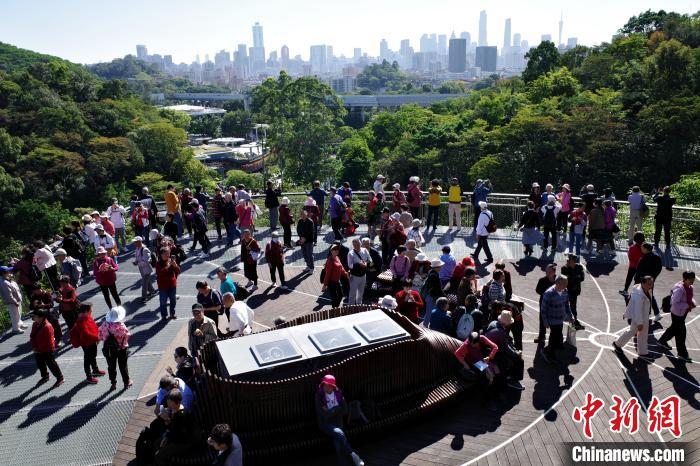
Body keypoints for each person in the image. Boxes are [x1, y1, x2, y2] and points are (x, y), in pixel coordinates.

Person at [315, 374, 365, 466]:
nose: (324, 386)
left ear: (332, 386)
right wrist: (337, 409)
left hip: (338, 421)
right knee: (339, 432)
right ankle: (353, 455)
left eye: (327, 385)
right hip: (326, 423)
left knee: (338, 443)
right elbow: (322, 415)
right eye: (323, 384)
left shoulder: (338, 393)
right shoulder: (319, 395)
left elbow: (345, 410)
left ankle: (345, 462)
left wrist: (331, 410)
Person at [613, 276, 654, 362]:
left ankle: (641, 351)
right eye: (648, 284)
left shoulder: (646, 289)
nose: (651, 285)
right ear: (643, 283)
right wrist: (640, 323)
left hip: (643, 316)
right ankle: (618, 344)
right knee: (635, 332)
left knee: (640, 333)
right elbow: (637, 310)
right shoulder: (639, 295)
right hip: (639, 317)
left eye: (651, 283)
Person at [658, 271, 696, 362]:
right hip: (677, 314)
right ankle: (682, 353)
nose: (692, 281)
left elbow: (689, 298)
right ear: (685, 279)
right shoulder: (679, 290)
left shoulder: (690, 287)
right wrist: (688, 306)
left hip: (683, 313)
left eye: (693, 279)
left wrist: (692, 303)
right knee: (681, 333)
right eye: (690, 279)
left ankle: (662, 341)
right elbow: (675, 303)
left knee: (674, 329)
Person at [154, 389, 195, 466]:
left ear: (178, 402)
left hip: (183, 442)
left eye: (170, 402)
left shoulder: (182, 415)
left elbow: (177, 434)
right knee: (157, 443)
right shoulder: (174, 410)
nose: (168, 404)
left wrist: (166, 437)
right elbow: (173, 429)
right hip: (176, 437)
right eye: (168, 402)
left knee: (158, 456)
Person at [485, 310, 524, 390]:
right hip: (492, 354)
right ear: (507, 323)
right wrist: (516, 353)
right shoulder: (501, 332)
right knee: (518, 359)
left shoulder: (494, 323)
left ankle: (510, 376)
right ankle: (513, 380)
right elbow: (506, 349)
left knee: (513, 354)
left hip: (487, 349)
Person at [539, 276, 573, 364]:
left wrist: (570, 315)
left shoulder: (565, 291)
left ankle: (548, 351)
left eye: (566, 283)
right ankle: (550, 355)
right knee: (554, 336)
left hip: (560, 319)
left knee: (556, 336)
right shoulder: (549, 293)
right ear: (558, 283)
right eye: (564, 283)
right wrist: (545, 322)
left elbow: (566, 304)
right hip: (552, 320)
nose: (566, 285)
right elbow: (543, 309)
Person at [69, 302, 105, 384]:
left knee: (93, 356)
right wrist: (98, 337)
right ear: (86, 310)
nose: (92, 310)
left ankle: (95, 370)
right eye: (90, 309)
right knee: (87, 360)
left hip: (92, 342)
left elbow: (94, 327)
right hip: (87, 344)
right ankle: (89, 377)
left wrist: (98, 335)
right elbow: (86, 334)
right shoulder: (81, 321)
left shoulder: (87, 317)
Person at [99, 306, 132, 390]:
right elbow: (127, 335)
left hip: (109, 350)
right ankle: (126, 382)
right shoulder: (122, 327)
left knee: (111, 366)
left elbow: (100, 336)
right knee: (123, 366)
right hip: (121, 349)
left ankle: (113, 383)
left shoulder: (104, 324)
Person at [30, 308, 64, 387]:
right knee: (40, 364)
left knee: (51, 364)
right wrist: (34, 346)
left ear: (41, 317)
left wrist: (37, 349)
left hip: (47, 349)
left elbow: (48, 342)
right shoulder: (35, 324)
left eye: (35, 316)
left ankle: (60, 378)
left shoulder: (47, 327)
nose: (33, 317)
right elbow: (32, 336)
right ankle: (45, 376)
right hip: (37, 349)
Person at [635, 243, 663, 322]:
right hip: (650, 280)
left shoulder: (645, 257)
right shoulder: (657, 257)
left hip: (643, 281)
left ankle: (648, 315)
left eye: (642, 248)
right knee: (650, 296)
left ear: (646, 249)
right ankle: (656, 314)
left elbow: (640, 270)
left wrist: (638, 280)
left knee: (644, 297)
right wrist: (653, 278)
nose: (641, 249)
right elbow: (659, 269)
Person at [560, 255, 586, 330]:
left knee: (573, 307)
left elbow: (582, 278)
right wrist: (576, 277)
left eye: (569, 260)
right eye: (567, 260)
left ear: (574, 262)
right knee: (563, 306)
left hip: (574, 291)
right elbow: (565, 279)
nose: (567, 261)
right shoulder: (564, 268)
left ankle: (574, 322)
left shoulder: (579, 267)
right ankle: (562, 321)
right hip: (566, 291)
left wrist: (571, 278)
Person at [535, 263, 557, 345]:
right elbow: (537, 290)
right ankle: (541, 336)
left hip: (554, 304)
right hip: (544, 302)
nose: (547, 273)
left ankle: (553, 337)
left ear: (554, 272)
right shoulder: (542, 280)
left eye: (549, 272)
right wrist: (546, 293)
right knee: (542, 319)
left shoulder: (558, 280)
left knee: (554, 320)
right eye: (546, 271)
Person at [0, 266, 26, 334]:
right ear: (4, 273)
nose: (10, 272)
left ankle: (19, 325)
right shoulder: (4, 282)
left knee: (18, 314)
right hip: (12, 302)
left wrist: (11, 279)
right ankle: (15, 329)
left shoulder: (7, 279)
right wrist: (15, 302)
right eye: (8, 271)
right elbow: (8, 295)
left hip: (16, 300)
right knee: (14, 315)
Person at [156, 247, 180, 320]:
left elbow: (178, 270)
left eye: (168, 253)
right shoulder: (158, 263)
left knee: (173, 301)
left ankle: (172, 314)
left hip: (172, 285)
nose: (168, 255)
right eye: (166, 254)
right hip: (163, 286)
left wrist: (175, 266)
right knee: (163, 302)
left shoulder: (171, 260)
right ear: (161, 254)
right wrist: (168, 266)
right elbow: (160, 273)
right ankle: (164, 316)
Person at [347, 239, 370, 305]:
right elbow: (350, 265)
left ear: (361, 244)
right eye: (355, 245)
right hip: (354, 276)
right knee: (352, 294)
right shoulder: (350, 253)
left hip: (363, 275)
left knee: (361, 293)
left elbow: (369, 260)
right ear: (353, 245)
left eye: (358, 244)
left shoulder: (365, 250)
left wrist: (365, 263)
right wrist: (358, 264)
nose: (357, 246)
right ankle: (350, 307)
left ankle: (359, 306)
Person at [422, 259, 444, 327]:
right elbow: (437, 289)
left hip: (429, 296)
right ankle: (425, 327)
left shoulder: (431, 273)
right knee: (429, 313)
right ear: (436, 267)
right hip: (432, 297)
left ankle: (425, 325)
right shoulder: (434, 276)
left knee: (428, 312)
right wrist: (444, 296)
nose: (441, 267)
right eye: (440, 266)